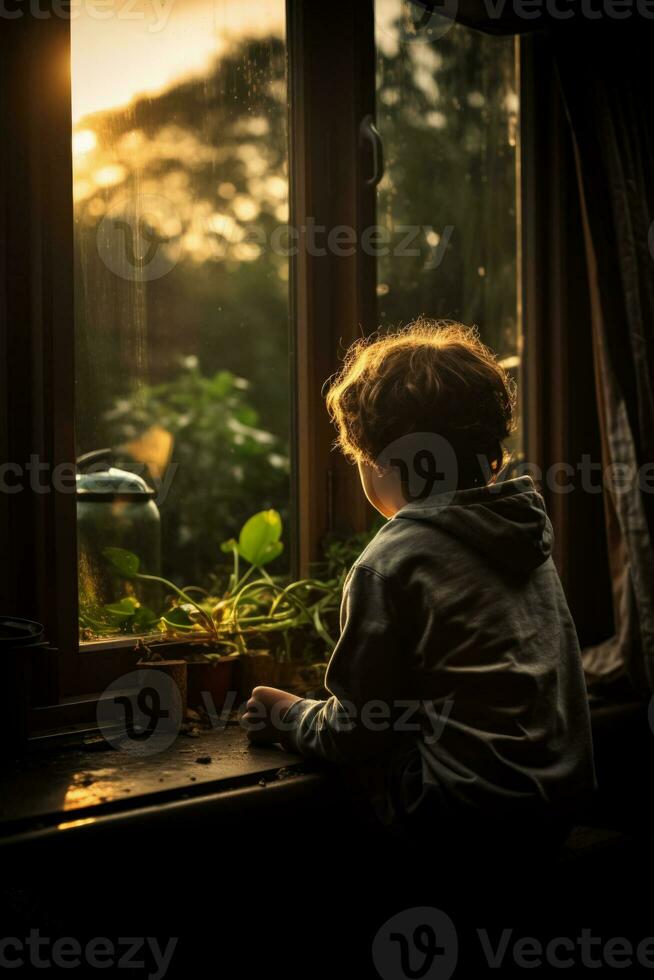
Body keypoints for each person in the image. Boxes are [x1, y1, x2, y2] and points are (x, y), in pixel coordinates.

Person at [243, 319, 596, 845]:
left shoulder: (393, 559)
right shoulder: (525, 535)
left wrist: (288, 714)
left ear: (384, 463)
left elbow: (355, 734)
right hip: (558, 810)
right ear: (491, 456)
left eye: (360, 459)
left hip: (462, 818)